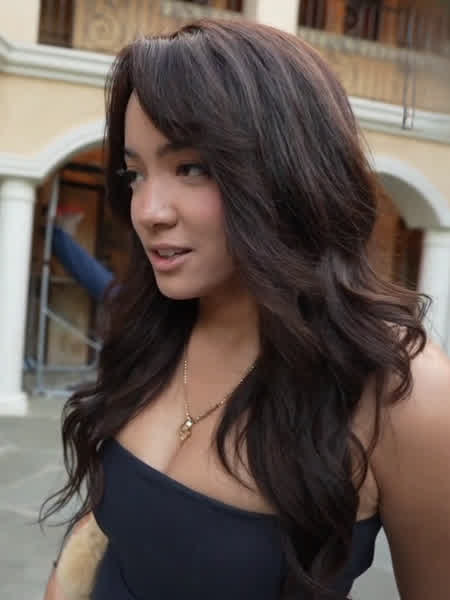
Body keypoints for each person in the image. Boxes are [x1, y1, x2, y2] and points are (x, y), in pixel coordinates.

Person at [41, 18, 450, 600]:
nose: (149, 210)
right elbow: (109, 531)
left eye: (192, 168)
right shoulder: (154, 329)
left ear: (291, 171)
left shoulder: (403, 390)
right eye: (135, 173)